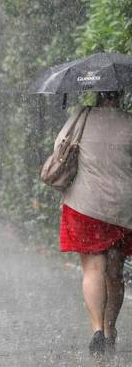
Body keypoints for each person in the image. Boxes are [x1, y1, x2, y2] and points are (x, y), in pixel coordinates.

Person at [56, 90, 132, 357]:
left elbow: (60, 149)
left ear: (98, 93)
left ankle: (97, 330)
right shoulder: (129, 122)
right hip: (121, 209)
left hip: (85, 207)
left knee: (93, 271)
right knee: (114, 273)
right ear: (122, 94)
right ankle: (111, 329)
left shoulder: (82, 118)